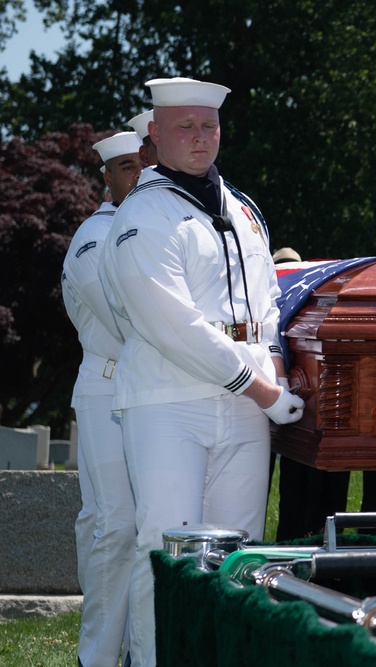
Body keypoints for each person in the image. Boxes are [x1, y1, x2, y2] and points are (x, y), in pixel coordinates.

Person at [100, 77, 304, 667]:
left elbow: (266, 303)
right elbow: (170, 322)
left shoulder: (242, 209)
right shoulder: (143, 213)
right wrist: (262, 386)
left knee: (238, 553)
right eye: (184, 126)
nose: (199, 137)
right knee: (166, 550)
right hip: (171, 399)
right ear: (155, 136)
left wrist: (277, 373)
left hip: (247, 402)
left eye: (208, 126)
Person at [62, 129, 141, 667]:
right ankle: (98, 656)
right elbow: (124, 325)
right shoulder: (94, 237)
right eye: (127, 168)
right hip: (108, 388)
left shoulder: (154, 228)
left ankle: (139, 650)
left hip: (148, 390)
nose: (138, 177)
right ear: (107, 178)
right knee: (113, 525)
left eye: (144, 165)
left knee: (140, 527)